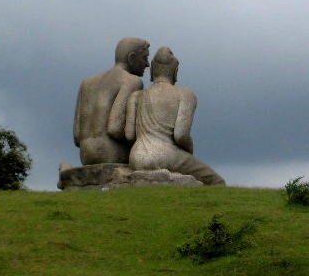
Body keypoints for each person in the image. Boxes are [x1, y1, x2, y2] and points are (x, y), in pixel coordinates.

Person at [125, 46, 225, 185]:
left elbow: (129, 135)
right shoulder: (185, 94)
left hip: (136, 156)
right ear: (175, 71)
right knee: (217, 181)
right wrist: (189, 151)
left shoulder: (136, 96)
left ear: (152, 71)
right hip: (166, 155)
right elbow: (181, 135)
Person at [74, 37, 150, 165]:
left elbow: (77, 136)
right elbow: (115, 129)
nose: (147, 64)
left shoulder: (86, 83)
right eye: (144, 58)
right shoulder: (131, 81)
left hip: (86, 155)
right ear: (132, 58)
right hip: (113, 154)